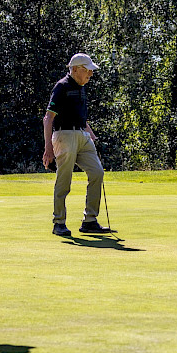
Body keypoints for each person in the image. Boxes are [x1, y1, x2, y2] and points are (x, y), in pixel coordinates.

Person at [42, 53, 109, 236]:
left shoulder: (81, 88)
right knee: (64, 180)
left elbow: (81, 118)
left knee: (97, 172)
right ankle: (59, 222)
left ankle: (90, 221)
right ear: (75, 69)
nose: (91, 74)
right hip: (64, 135)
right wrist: (48, 148)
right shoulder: (61, 87)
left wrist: (92, 136)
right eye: (87, 70)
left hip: (82, 135)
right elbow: (48, 118)